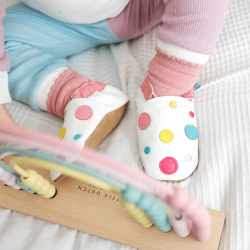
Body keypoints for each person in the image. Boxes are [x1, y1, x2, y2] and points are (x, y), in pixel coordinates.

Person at [0, 0, 228, 181]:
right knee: (4, 42)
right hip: (53, 20)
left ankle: (167, 87)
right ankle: (83, 97)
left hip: (136, 6)